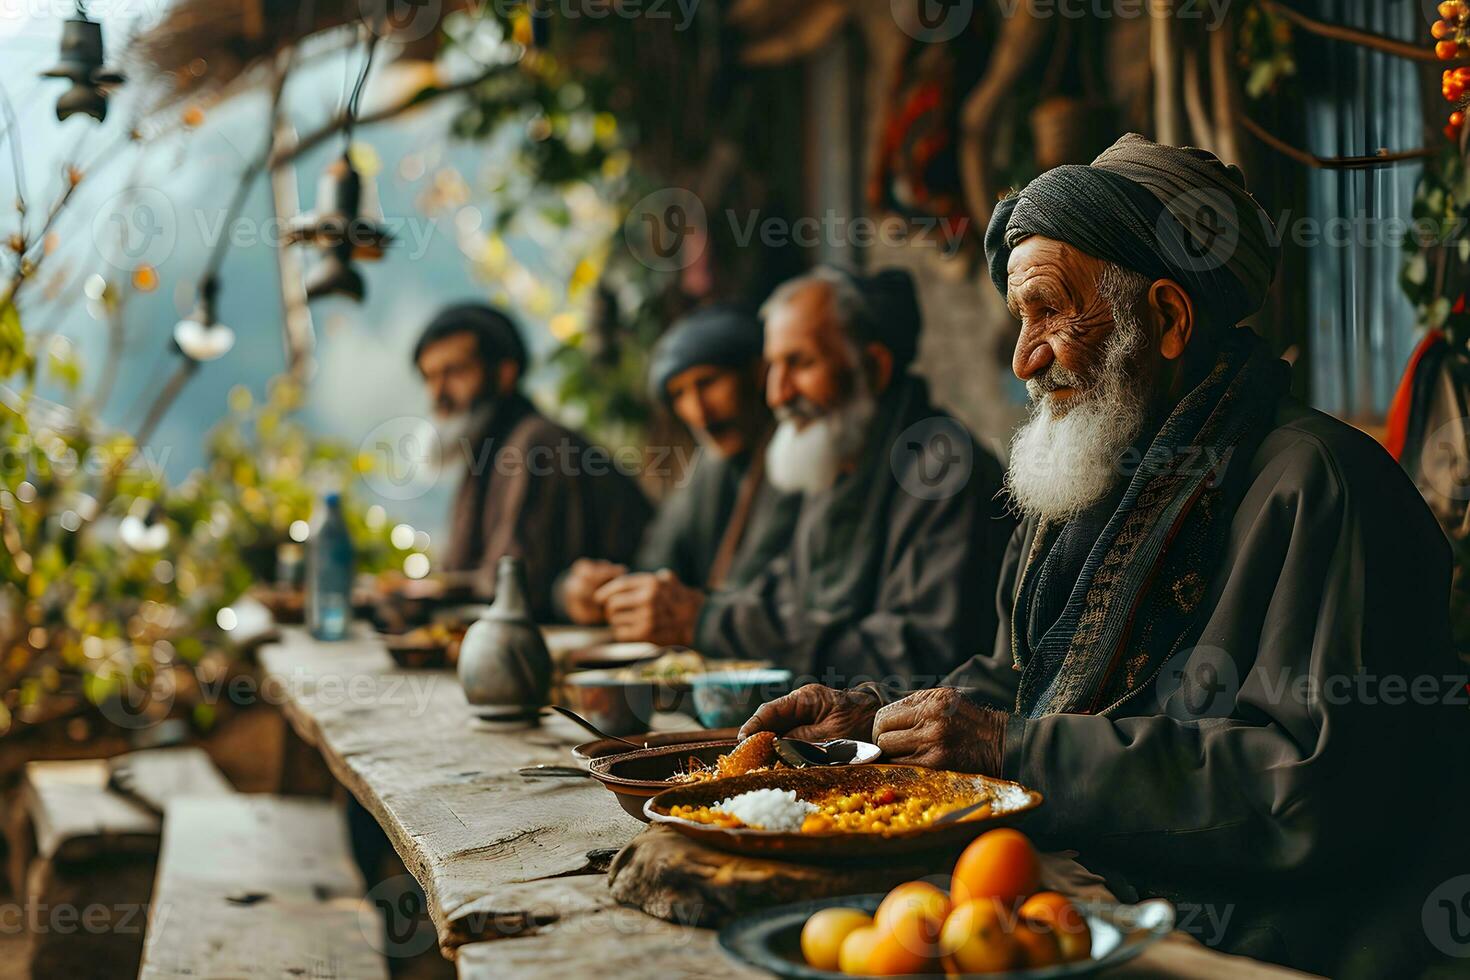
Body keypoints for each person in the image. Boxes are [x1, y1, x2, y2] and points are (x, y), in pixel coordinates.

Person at [738, 135, 1468, 977]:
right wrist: (873, 727)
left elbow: (1303, 791)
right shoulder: (1089, 474)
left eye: (1050, 311)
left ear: (1165, 319)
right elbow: (1018, 687)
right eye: (1021, 319)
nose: (1023, 358)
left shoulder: (1320, 484)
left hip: (1284, 941)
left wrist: (1018, 751)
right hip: (1093, 886)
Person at [597, 266, 1014, 688]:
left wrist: (707, 620)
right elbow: (782, 599)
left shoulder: (942, 469)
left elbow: (918, 659)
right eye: (774, 367)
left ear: (873, 367)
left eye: (800, 364)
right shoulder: (838, 461)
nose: (778, 394)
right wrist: (686, 609)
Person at [560, 306, 802, 629]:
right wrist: (585, 593)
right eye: (679, 394)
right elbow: (656, 565)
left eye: (708, 382)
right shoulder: (707, 470)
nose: (699, 411)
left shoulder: (803, 459)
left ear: (758, 373)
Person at [415, 302, 651, 619]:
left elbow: (514, 590)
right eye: (429, 378)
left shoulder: (537, 446)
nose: (438, 394)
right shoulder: (485, 454)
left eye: (454, 372)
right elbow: (459, 574)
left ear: (505, 373)